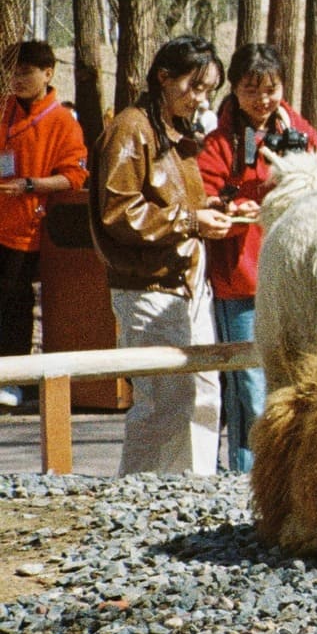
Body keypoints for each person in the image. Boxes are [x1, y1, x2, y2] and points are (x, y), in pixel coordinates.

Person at [90, 35, 230, 475]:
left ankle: (197, 487)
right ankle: (142, 493)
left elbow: (178, 202)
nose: (200, 99)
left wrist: (214, 211)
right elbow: (120, 211)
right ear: (163, 78)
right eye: (195, 86)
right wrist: (190, 222)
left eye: (208, 90)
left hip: (188, 282)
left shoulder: (174, 132)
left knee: (204, 396)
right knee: (161, 403)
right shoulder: (132, 128)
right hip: (149, 286)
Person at [195, 45, 317, 471]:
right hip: (242, 277)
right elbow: (206, 197)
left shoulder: (298, 132)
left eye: (272, 89)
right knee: (248, 386)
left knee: (291, 379)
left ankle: (287, 470)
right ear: (234, 89)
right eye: (252, 89)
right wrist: (237, 209)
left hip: (292, 277)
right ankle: (246, 476)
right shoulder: (219, 142)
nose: (263, 100)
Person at [0, 42, 89, 407]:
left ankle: (14, 381)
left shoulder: (62, 121)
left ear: (48, 73)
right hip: (0, 220)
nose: (18, 80)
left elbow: (74, 177)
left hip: (29, 229)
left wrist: (31, 185)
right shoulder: (4, 110)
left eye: (26, 73)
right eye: (13, 73)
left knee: (15, 305)